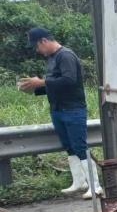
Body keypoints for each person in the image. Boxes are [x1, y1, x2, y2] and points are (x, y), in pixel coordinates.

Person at [18, 27, 102, 199]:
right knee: (69, 147)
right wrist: (33, 88)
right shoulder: (51, 58)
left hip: (73, 109)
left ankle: (96, 186)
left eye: (37, 46)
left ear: (43, 41)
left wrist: (41, 82)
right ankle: (79, 182)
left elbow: (69, 81)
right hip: (57, 109)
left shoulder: (66, 56)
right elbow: (52, 84)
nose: (37, 51)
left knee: (79, 146)